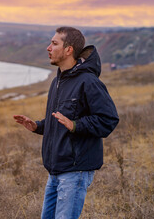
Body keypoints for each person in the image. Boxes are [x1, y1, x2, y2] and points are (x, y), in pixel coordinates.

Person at [13, 26, 119, 219]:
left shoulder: (88, 81)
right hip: (55, 170)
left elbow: (108, 119)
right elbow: (60, 120)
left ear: (69, 49)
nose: (48, 48)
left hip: (75, 171)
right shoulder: (58, 81)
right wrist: (38, 126)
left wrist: (76, 125)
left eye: (54, 43)